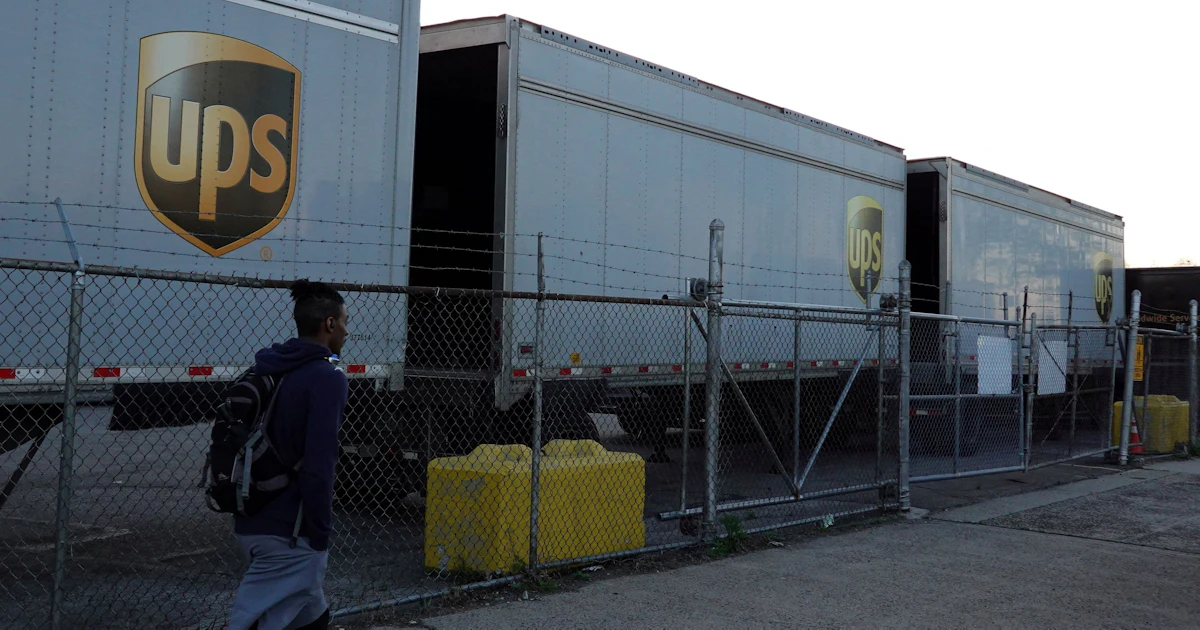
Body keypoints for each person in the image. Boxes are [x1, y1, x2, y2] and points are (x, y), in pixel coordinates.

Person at [227, 280, 349, 630]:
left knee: (311, 614)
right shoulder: (327, 378)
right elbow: (319, 465)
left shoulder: (269, 365)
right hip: (289, 534)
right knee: (253, 622)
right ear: (329, 324)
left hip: (252, 518)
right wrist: (320, 533)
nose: (346, 331)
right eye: (344, 322)